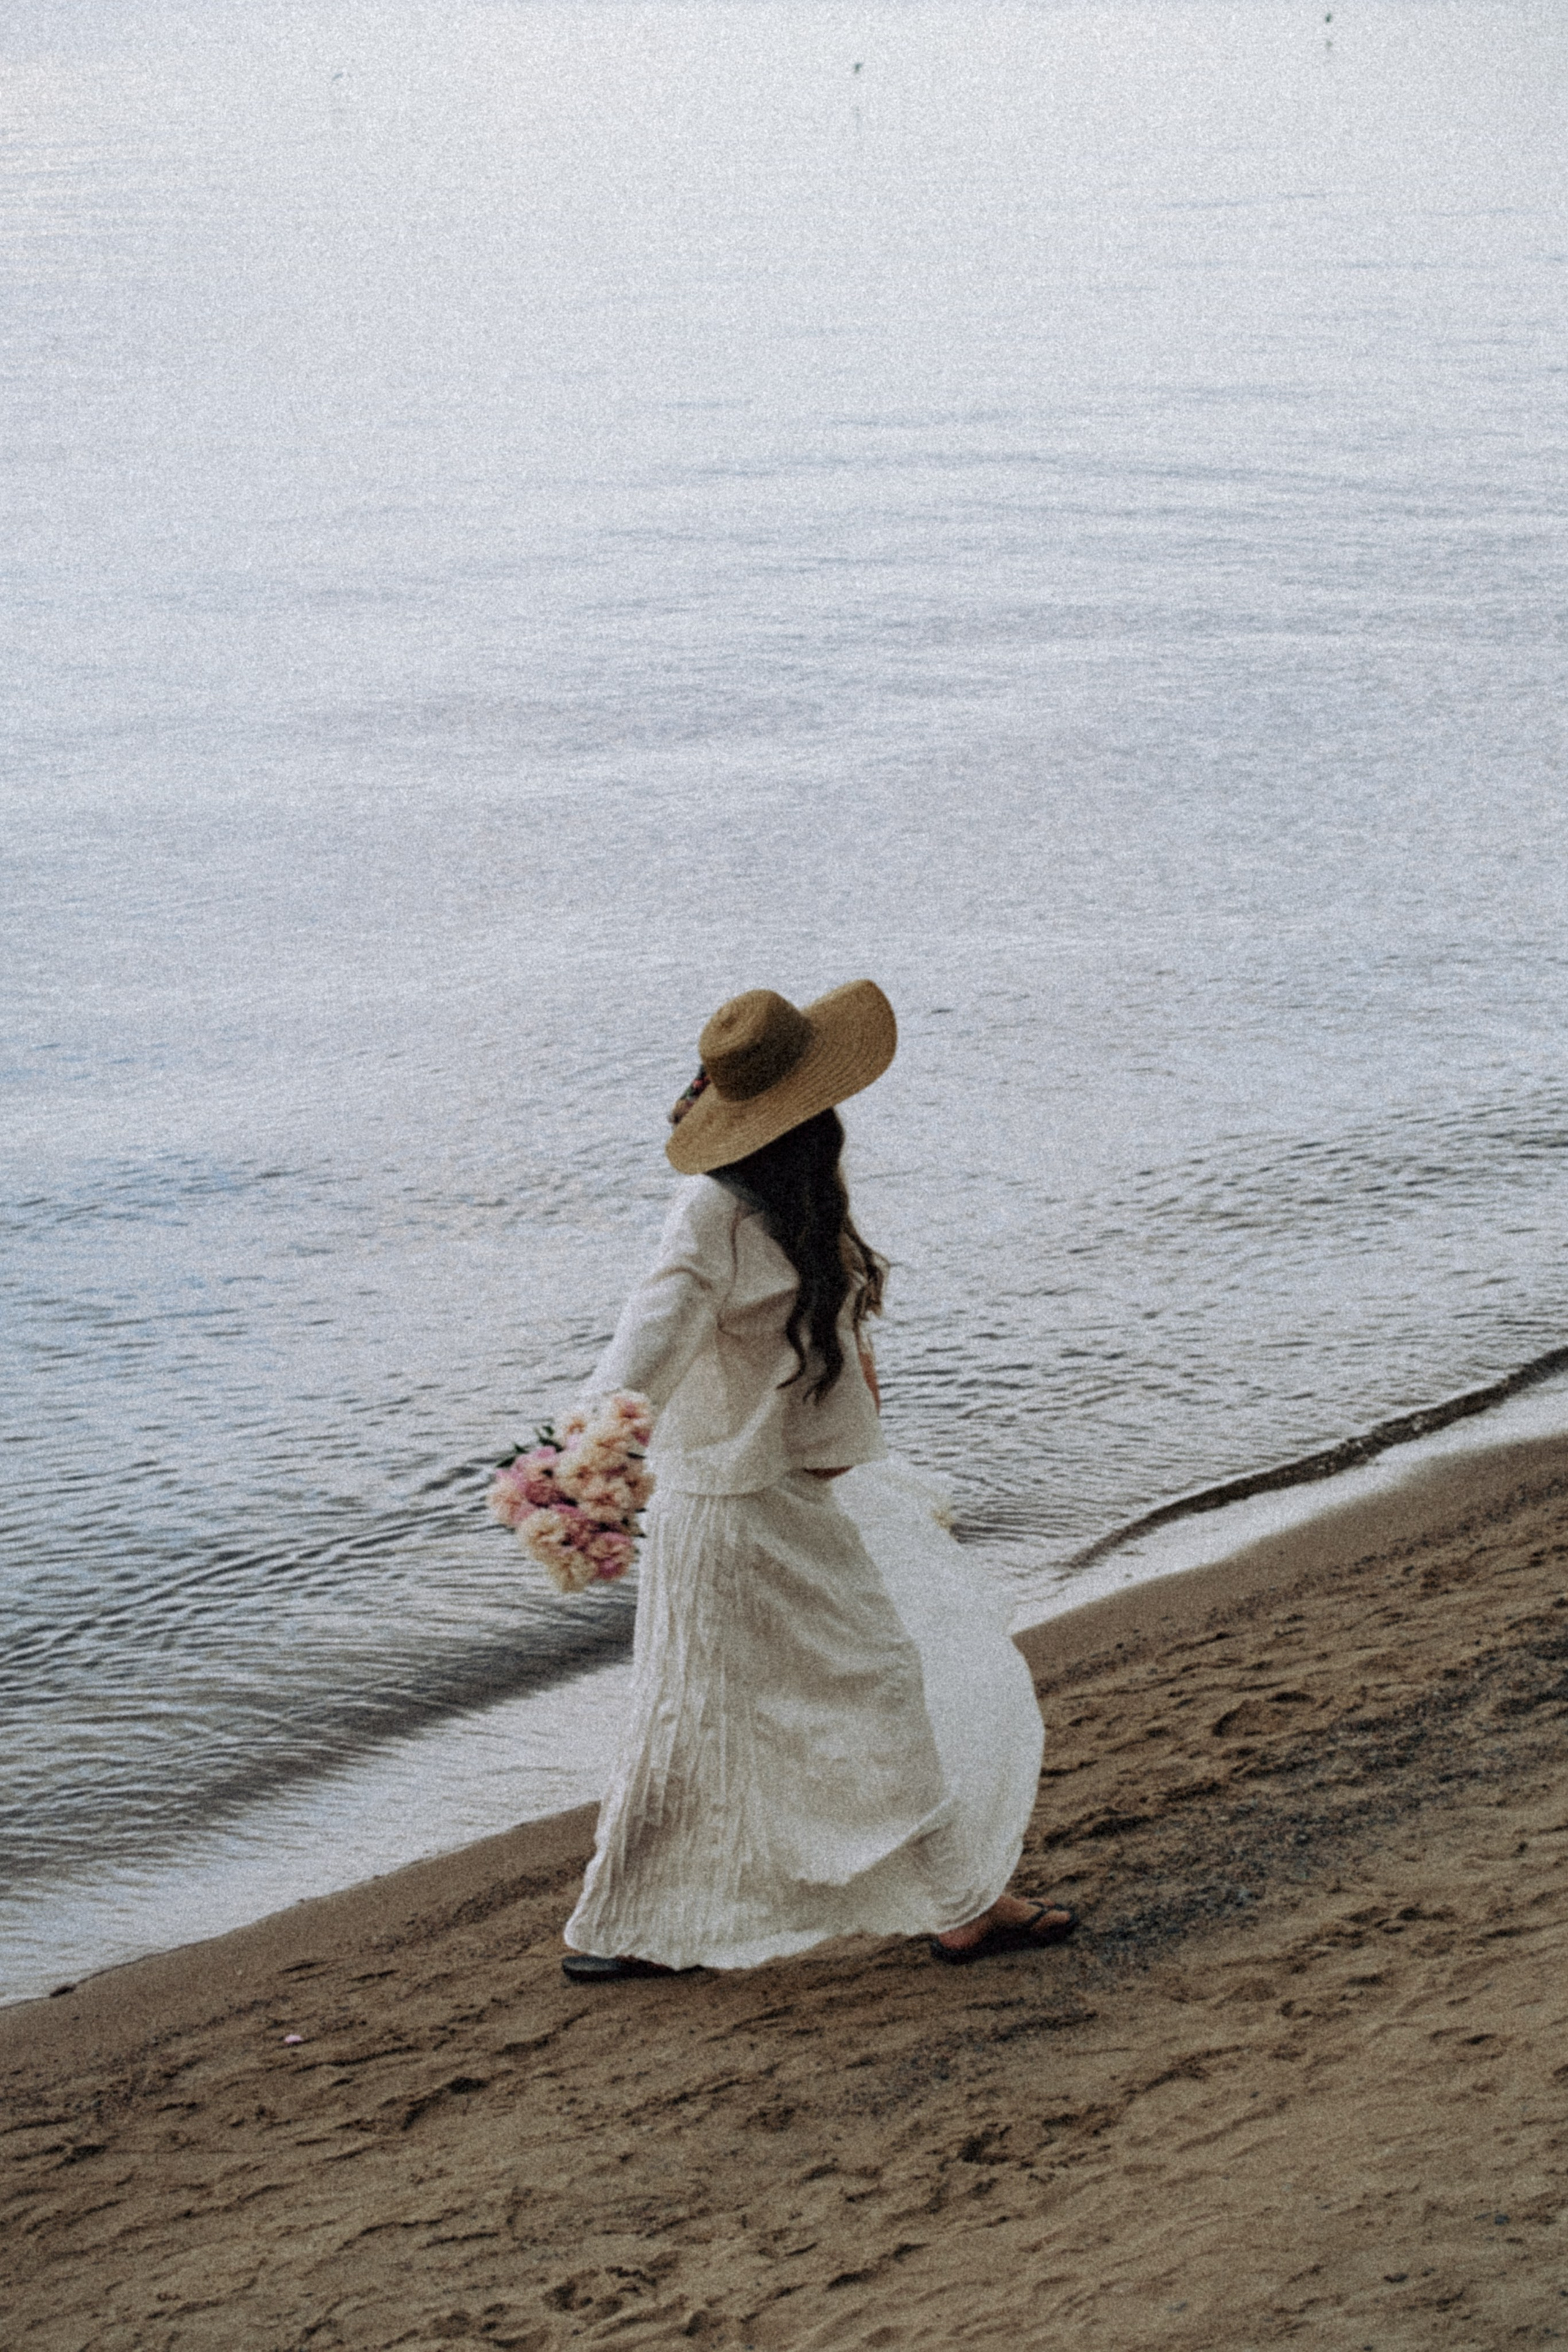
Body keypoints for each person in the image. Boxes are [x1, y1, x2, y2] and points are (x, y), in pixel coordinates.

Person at [560, 979, 1076, 1981]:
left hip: (770, 1498)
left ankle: (620, 1928)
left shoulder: (788, 1197)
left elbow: (819, 1344)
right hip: (735, 1510)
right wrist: (585, 1454)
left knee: (702, 1711)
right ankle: (960, 1907)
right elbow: (650, 1334)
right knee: (826, 1692)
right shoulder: (711, 1210)